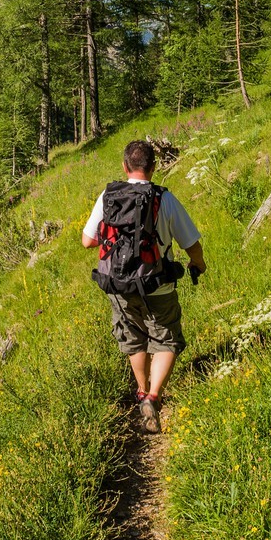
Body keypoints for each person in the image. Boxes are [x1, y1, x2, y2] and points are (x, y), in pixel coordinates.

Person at [82, 138, 205, 433]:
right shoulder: (165, 198)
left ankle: (140, 391)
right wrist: (198, 264)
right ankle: (154, 396)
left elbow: (87, 241)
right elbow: (191, 243)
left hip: (119, 284)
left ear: (125, 166)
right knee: (165, 339)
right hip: (157, 284)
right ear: (153, 167)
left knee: (133, 338)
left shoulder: (108, 196)